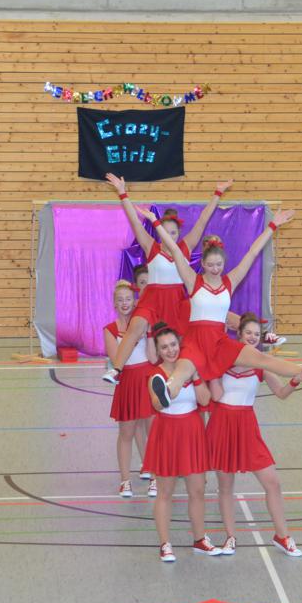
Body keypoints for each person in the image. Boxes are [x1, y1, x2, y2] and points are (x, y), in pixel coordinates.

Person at [134, 206, 302, 408]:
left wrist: (273, 226)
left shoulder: (229, 282)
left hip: (219, 341)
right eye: (210, 265)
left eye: (219, 265)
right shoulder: (192, 280)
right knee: (182, 370)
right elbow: (175, 250)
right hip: (196, 340)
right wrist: (155, 222)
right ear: (202, 263)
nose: (215, 269)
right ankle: (168, 390)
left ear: (224, 264)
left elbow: (253, 252)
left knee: (262, 359)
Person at [101, 175, 232, 384]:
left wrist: (217, 193)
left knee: (198, 327)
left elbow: (202, 221)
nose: (169, 236)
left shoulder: (185, 248)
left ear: (178, 234)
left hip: (177, 300)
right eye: (166, 232)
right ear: (159, 233)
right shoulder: (151, 247)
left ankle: (259, 335)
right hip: (153, 297)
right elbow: (135, 222)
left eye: (173, 233)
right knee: (136, 326)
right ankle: (116, 369)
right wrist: (122, 192)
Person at [208, 313, 302, 557]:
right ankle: (230, 537)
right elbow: (213, 395)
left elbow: (281, 393)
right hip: (221, 425)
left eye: (256, 334)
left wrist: (294, 381)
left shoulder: (261, 366)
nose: (252, 337)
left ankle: (282, 536)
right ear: (239, 335)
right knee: (225, 486)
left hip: (247, 427)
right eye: (248, 333)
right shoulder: (222, 360)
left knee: (272, 482)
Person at [141, 324, 221, 562]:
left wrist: (194, 375)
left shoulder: (191, 368)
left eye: (173, 345)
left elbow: (205, 399)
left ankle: (200, 540)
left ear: (180, 345)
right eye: (164, 347)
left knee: (197, 490)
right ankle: (165, 544)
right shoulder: (155, 375)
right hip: (167, 432)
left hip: (192, 432)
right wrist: (165, 394)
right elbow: (156, 404)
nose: (170, 350)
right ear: (158, 351)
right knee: (165, 492)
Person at [105, 280, 158, 499]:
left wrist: (149, 334)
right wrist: (132, 337)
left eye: (128, 299)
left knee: (153, 433)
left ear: (135, 302)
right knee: (126, 434)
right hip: (128, 382)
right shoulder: (110, 330)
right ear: (114, 303)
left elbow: (153, 358)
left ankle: (154, 478)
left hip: (147, 380)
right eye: (120, 300)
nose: (125, 303)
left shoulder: (144, 324)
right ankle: (125, 481)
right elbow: (117, 359)